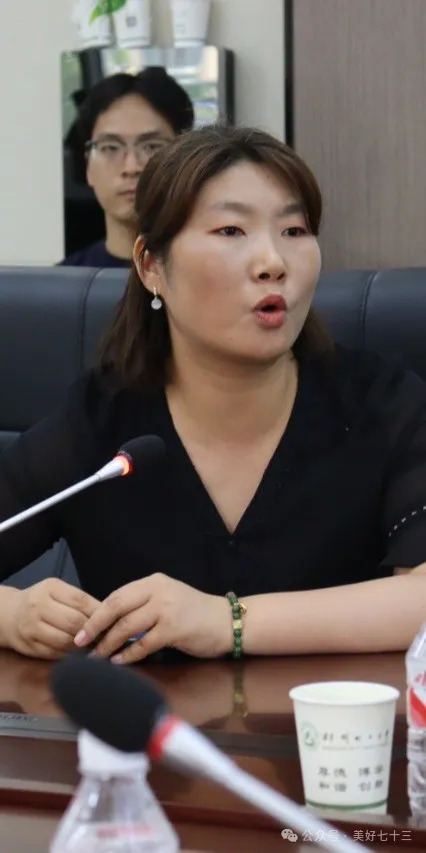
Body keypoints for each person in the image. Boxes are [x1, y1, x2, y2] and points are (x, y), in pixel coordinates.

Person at [2, 124, 426, 663]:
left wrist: (229, 622)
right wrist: (12, 615)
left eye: (294, 230)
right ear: (151, 265)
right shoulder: (99, 420)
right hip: (145, 718)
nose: (273, 262)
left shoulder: (381, 403)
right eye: (231, 230)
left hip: (333, 718)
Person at [60, 68, 194, 268]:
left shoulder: (213, 275)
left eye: (151, 147)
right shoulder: (63, 281)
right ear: (88, 166)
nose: (131, 168)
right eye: (111, 147)